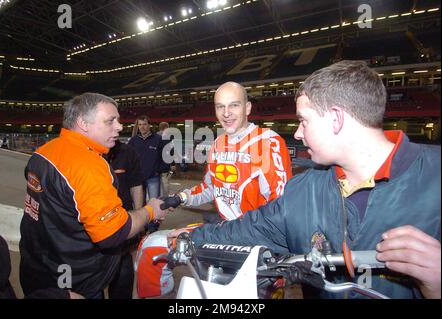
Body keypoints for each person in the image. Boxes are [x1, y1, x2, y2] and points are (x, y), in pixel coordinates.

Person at [171, 61, 441, 299]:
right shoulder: (304, 190)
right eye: (220, 106)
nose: (297, 134)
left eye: (303, 121)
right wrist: (192, 235)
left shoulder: (435, 176)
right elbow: (255, 225)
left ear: (335, 119)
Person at [135, 81, 293, 298]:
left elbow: (281, 210)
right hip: (220, 229)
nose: (226, 113)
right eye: (220, 106)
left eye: (234, 105)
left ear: (247, 108)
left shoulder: (268, 142)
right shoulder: (218, 143)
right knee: (151, 247)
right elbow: (210, 188)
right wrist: (179, 198)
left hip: (256, 238)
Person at [19, 92, 169, 299]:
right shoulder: (88, 165)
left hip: (37, 267)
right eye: (110, 121)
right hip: (74, 279)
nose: (119, 126)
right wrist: (150, 210)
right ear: (83, 123)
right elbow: (113, 233)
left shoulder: (44, 152)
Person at [104, 139, 144, 299]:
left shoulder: (128, 152)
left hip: (122, 225)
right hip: (91, 228)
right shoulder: (85, 153)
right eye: (110, 122)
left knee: (122, 276)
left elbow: (136, 185)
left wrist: (140, 217)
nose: (118, 127)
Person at [157, 122, 176, 197]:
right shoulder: (168, 137)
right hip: (165, 162)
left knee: (155, 182)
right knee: (165, 181)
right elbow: (171, 152)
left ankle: (156, 197)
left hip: (155, 163)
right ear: (166, 128)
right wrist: (173, 163)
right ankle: (165, 197)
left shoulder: (154, 136)